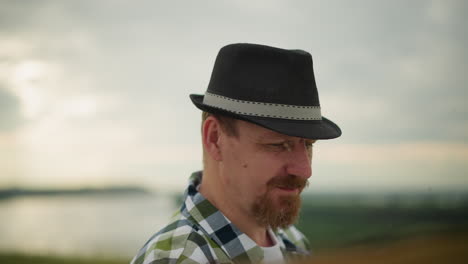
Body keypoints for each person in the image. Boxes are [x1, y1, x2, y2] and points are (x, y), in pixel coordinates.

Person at [130, 43, 341, 264]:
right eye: (279, 144)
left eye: (308, 145)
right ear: (215, 139)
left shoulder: (294, 243)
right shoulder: (179, 259)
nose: (305, 170)